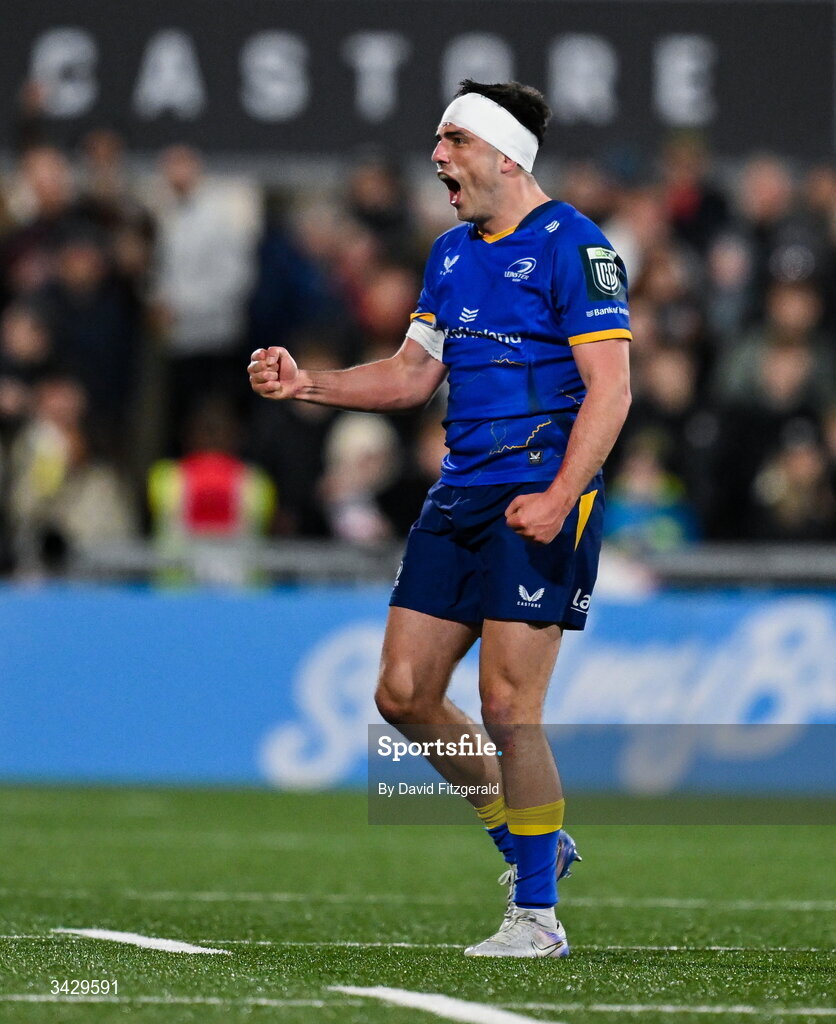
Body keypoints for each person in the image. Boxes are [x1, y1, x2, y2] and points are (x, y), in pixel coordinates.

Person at [249, 80, 632, 958]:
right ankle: (533, 844)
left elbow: (611, 391)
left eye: (453, 140)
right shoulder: (451, 254)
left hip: (540, 494)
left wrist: (563, 491)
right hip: (459, 495)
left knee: (507, 706)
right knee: (404, 696)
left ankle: (536, 917)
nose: (438, 157)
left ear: (505, 155)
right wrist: (309, 381)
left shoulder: (578, 248)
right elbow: (411, 375)